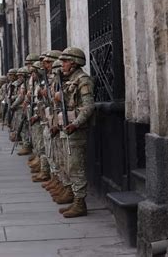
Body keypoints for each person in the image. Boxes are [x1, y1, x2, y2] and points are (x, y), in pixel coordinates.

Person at [56, 47, 95, 218]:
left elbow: (88, 107)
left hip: (76, 130)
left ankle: (80, 203)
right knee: (68, 164)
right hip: (67, 127)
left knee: (76, 166)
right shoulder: (69, 79)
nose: (62, 64)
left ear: (74, 62)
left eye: (65, 61)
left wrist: (76, 124)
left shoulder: (82, 80)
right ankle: (73, 197)